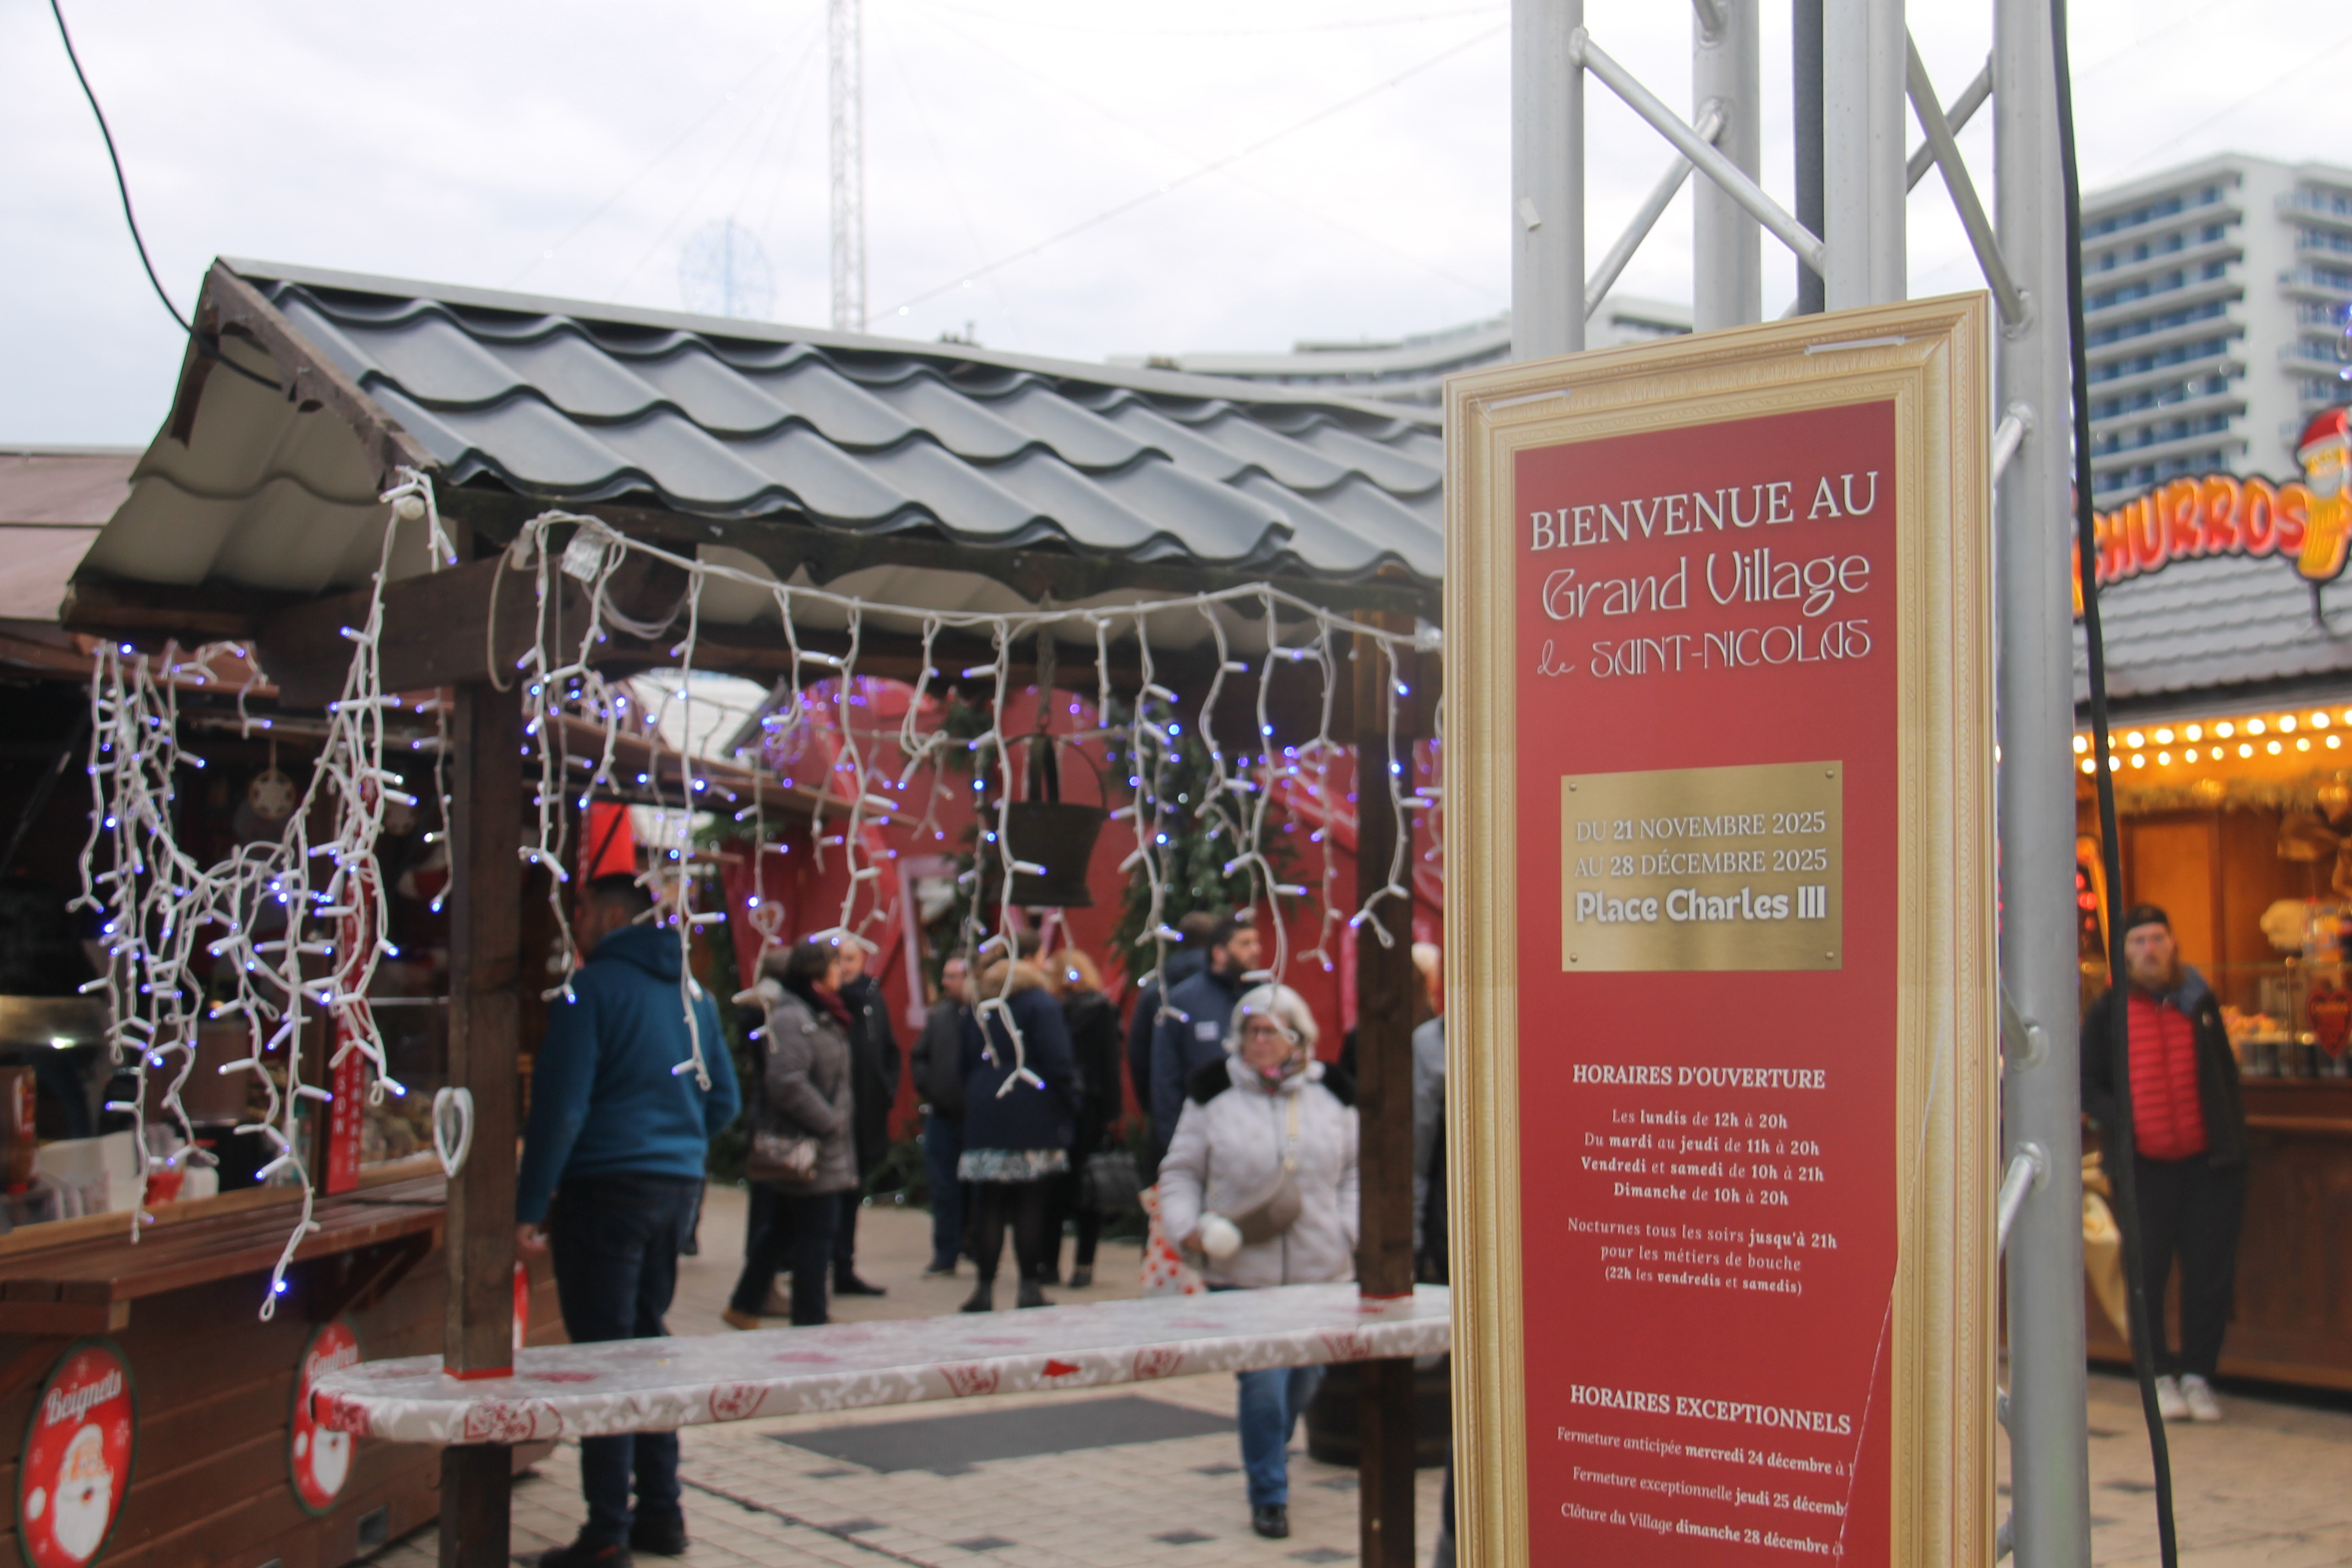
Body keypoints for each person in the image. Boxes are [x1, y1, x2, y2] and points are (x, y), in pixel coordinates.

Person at [514, 874, 742, 1567]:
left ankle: (607, 1529)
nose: (573, 922)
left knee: (605, 1358)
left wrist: (527, 1209)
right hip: (674, 1191)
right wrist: (678, 1140)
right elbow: (725, 1099)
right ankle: (662, 1514)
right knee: (646, 1342)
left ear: (613, 916)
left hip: (604, 1189)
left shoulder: (593, 989)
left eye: (580, 910)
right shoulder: (690, 993)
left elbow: (561, 1108)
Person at [1157, 983, 1358, 1541]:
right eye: (1251, 1030)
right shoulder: (1212, 1095)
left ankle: (1269, 1447)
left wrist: (1349, 1230)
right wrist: (1187, 1228)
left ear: (1299, 1037)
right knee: (1264, 1385)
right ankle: (1269, 1491)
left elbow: (1357, 1174)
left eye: (1271, 1030)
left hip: (1322, 1273)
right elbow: (1181, 1172)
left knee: (1304, 1382)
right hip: (1242, 1272)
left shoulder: (1335, 1095)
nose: (1259, 1041)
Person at [2081, 903, 2248, 1424]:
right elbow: (2087, 1084)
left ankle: (2198, 1376)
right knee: (2146, 1277)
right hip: (2143, 1169)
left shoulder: (2199, 1000)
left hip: (2208, 1166)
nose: (2149, 950)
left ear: (2172, 944)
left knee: (2209, 1275)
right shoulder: (2107, 1012)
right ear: (2125, 954)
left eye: (2156, 939)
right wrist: (2123, 1121)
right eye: (2138, 943)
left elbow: (2224, 1070)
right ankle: (2157, 1378)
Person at [723, 939, 858, 1332]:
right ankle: (810, 1318)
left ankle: (745, 1303)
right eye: (836, 964)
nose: (843, 972)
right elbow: (786, 1080)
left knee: (783, 1227)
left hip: (822, 1145)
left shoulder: (822, 1012)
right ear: (817, 972)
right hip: (808, 1145)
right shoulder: (793, 1016)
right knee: (817, 1231)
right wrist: (829, 1120)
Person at [956, 950, 1078, 1311]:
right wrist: (1071, 1101)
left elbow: (963, 1059)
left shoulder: (980, 1005)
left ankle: (983, 1289)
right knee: (1030, 1204)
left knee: (989, 1203)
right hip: (1031, 1103)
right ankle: (1029, 1286)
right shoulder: (1041, 1004)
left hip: (985, 1105)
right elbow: (1058, 1058)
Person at [1150, 914, 1261, 1163]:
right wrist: (1174, 1142)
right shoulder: (1182, 1002)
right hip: (1201, 1138)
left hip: (1257, 1140)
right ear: (1220, 953)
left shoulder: (1265, 999)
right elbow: (1165, 1076)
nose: (1256, 950)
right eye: (1245, 944)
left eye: (1256, 943)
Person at [1048, 948, 1124, 1288]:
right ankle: (1084, 1265)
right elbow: (1110, 1066)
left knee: (1053, 1189)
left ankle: (1047, 1264)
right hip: (1091, 1110)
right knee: (1091, 1189)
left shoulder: (1050, 1011)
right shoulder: (1102, 1010)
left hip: (1056, 1108)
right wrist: (1112, 1113)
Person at [834, 940, 901, 1297]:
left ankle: (844, 1266)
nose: (843, 967)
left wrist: (885, 1088)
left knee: (851, 1194)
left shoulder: (873, 999)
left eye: (850, 959)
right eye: (839, 959)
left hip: (866, 1115)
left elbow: (890, 1048)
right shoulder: (828, 1002)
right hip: (833, 1119)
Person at [1126, 910, 1222, 1158]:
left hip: (1168, 1111)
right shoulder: (1224, 990)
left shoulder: (1154, 990)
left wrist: (1152, 1106)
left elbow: (1138, 1053)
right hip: (1220, 1114)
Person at [909, 954, 972, 1276]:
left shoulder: (985, 1015)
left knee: (977, 1188)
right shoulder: (940, 1016)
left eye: (954, 976)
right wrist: (929, 1085)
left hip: (976, 1119)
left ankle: (975, 1246)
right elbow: (919, 1056)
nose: (946, 983)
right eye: (945, 976)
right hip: (942, 1116)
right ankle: (945, 1254)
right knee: (944, 1188)